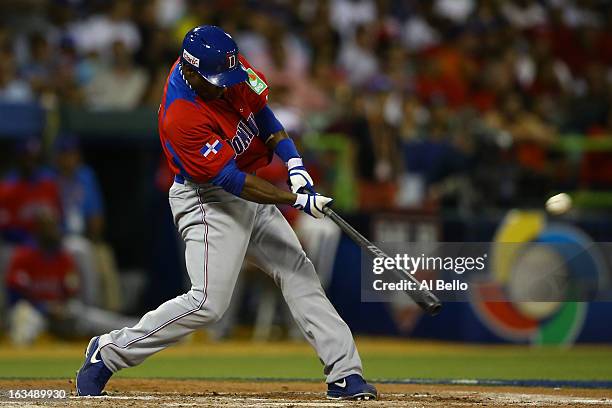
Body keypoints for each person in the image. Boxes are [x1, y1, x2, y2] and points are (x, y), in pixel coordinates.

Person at [76, 25, 377, 401]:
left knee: (298, 271)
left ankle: (345, 374)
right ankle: (108, 352)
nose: (223, 86)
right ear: (190, 71)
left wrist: (295, 164)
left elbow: (262, 114)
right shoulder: (180, 115)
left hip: (248, 187)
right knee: (207, 304)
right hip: (208, 199)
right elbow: (232, 181)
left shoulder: (223, 62)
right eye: (214, 81)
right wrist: (294, 199)